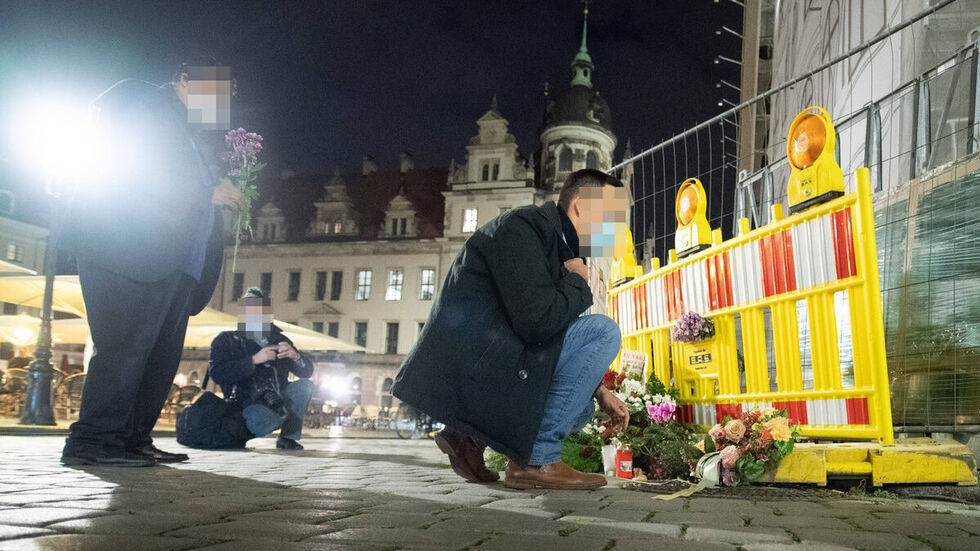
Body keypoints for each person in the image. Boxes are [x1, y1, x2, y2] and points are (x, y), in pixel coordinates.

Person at [393, 169, 630, 490]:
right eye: (613, 216)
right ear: (581, 207)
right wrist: (576, 281)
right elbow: (537, 323)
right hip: (477, 368)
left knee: (582, 410)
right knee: (603, 331)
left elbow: (547, 329)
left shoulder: (553, 242)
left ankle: (468, 437)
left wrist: (599, 390)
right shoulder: (524, 228)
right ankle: (537, 461)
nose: (618, 228)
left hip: (493, 363)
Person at [59, 61, 242, 467]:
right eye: (219, 90)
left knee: (157, 360)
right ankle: (92, 441)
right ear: (184, 79)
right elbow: (141, 167)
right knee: (124, 351)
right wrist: (208, 191)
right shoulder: (142, 103)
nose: (224, 102)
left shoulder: (183, 130)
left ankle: (131, 439)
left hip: (174, 265)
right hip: (128, 252)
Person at [208, 288, 315, 450]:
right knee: (267, 420)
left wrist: (295, 356)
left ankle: (287, 438)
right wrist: (253, 360)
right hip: (246, 400)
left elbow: (306, 372)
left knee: (305, 385)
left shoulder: (280, 340)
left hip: (279, 396)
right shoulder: (227, 340)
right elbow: (217, 373)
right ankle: (236, 435)